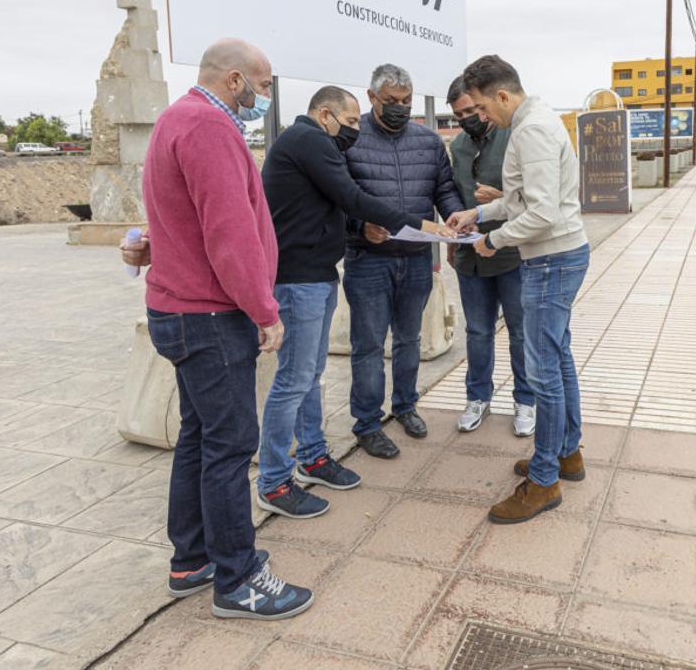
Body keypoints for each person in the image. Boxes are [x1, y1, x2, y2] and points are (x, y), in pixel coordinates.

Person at [132, 38, 313, 620]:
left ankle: (191, 558)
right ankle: (239, 579)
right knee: (232, 447)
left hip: (182, 311)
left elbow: (178, 217)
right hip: (210, 316)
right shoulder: (209, 127)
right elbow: (229, 232)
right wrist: (265, 310)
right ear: (234, 80)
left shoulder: (174, 119)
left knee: (200, 438)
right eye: (262, 88)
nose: (263, 99)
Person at [256, 86, 453, 519]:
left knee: (310, 375)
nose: (352, 132)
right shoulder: (308, 139)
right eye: (348, 124)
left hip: (317, 275)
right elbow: (354, 198)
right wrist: (420, 225)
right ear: (325, 115)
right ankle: (272, 480)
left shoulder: (314, 141)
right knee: (293, 380)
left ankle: (312, 456)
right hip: (296, 279)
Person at [447, 55, 589, 525]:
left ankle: (545, 480)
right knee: (558, 359)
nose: (483, 118)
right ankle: (567, 454)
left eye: (484, 108)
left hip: (550, 259)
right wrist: (478, 215)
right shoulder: (536, 122)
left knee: (544, 373)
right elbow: (522, 200)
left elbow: (542, 213)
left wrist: (493, 240)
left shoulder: (530, 130)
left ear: (503, 95)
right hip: (554, 256)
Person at [343, 63, 465, 459]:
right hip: (368, 260)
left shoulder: (429, 142)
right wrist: (360, 226)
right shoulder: (349, 139)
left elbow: (443, 188)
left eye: (406, 101)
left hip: (415, 259)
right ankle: (367, 422)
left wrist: (454, 216)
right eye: (391, 101)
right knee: (368, 345)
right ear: (371, 97)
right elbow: (334, 196)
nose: (400, 107)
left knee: (410, 340)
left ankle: (406, 406)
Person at [444, 75, 535, 437]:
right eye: (459, 114)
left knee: (519, 333)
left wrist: (500, 197)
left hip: (511, 253)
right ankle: (477, 397)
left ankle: (525, 400)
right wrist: (452, 241)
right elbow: (454, 193)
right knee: (478, 332)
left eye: (472, 109)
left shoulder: (514, 136)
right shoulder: (460, 147)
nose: (468, 117)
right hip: (471, 257)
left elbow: (536, 199)